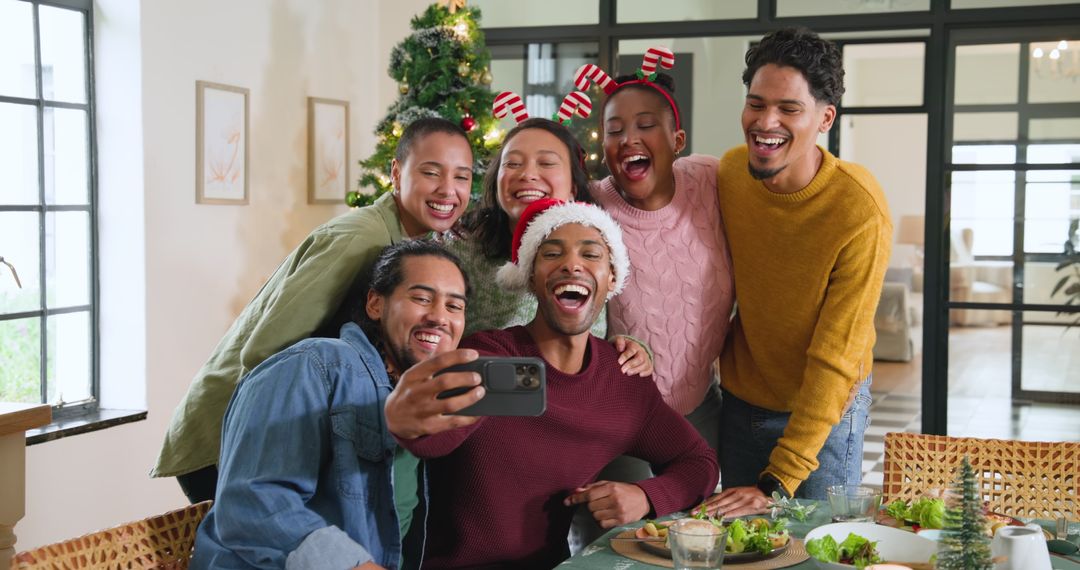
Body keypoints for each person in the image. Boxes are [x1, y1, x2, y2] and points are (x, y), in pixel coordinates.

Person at [153, 118, 475, 503]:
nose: (448, 190)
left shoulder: (412, 247)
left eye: (462, 177)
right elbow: (265, 351)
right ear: (396, 172)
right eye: (431, 172)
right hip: (229, 439)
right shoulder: (362, 240)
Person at [385, 199, 719, 569]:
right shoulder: (491, 357)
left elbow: (699, 462)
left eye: (590, 254)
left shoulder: (623, 382)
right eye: (552, 253)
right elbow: (431, 438)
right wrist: (406, 421)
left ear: (612, 278)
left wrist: (645, 496)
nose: (571, 264)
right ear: (531, 277)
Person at [191, 240, 476, 570]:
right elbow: (251, 503)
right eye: (421, 298)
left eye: (454, 306)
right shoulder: (312, 366)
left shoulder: (435, 400)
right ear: (375, 304)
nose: (439, 317)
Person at [703, 27, 892, 518]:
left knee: (819, 545)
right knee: (745, 544)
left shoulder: (859, 208)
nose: (765, 122)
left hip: (828, 411)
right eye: (756, 103)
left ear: (825, 118)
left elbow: (837, 356)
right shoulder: (730, 174)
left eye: (789, 109)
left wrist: (780, 478)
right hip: (743, 399)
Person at [589, 64, 735, 463]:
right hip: (622, 413)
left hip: (703, 403)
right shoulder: (592, 208)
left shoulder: (710, 179)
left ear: (677, 140)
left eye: (646, 125)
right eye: (614, 130)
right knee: (631, 506)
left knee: (707, 503)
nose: (628, 139)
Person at [447, 117, 651, 376]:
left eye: (546, 163)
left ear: (573, 187)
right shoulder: (458, 248)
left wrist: (628, 349)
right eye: (513, 163)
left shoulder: (600, 246)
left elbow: (600, 337)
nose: (527, 174)